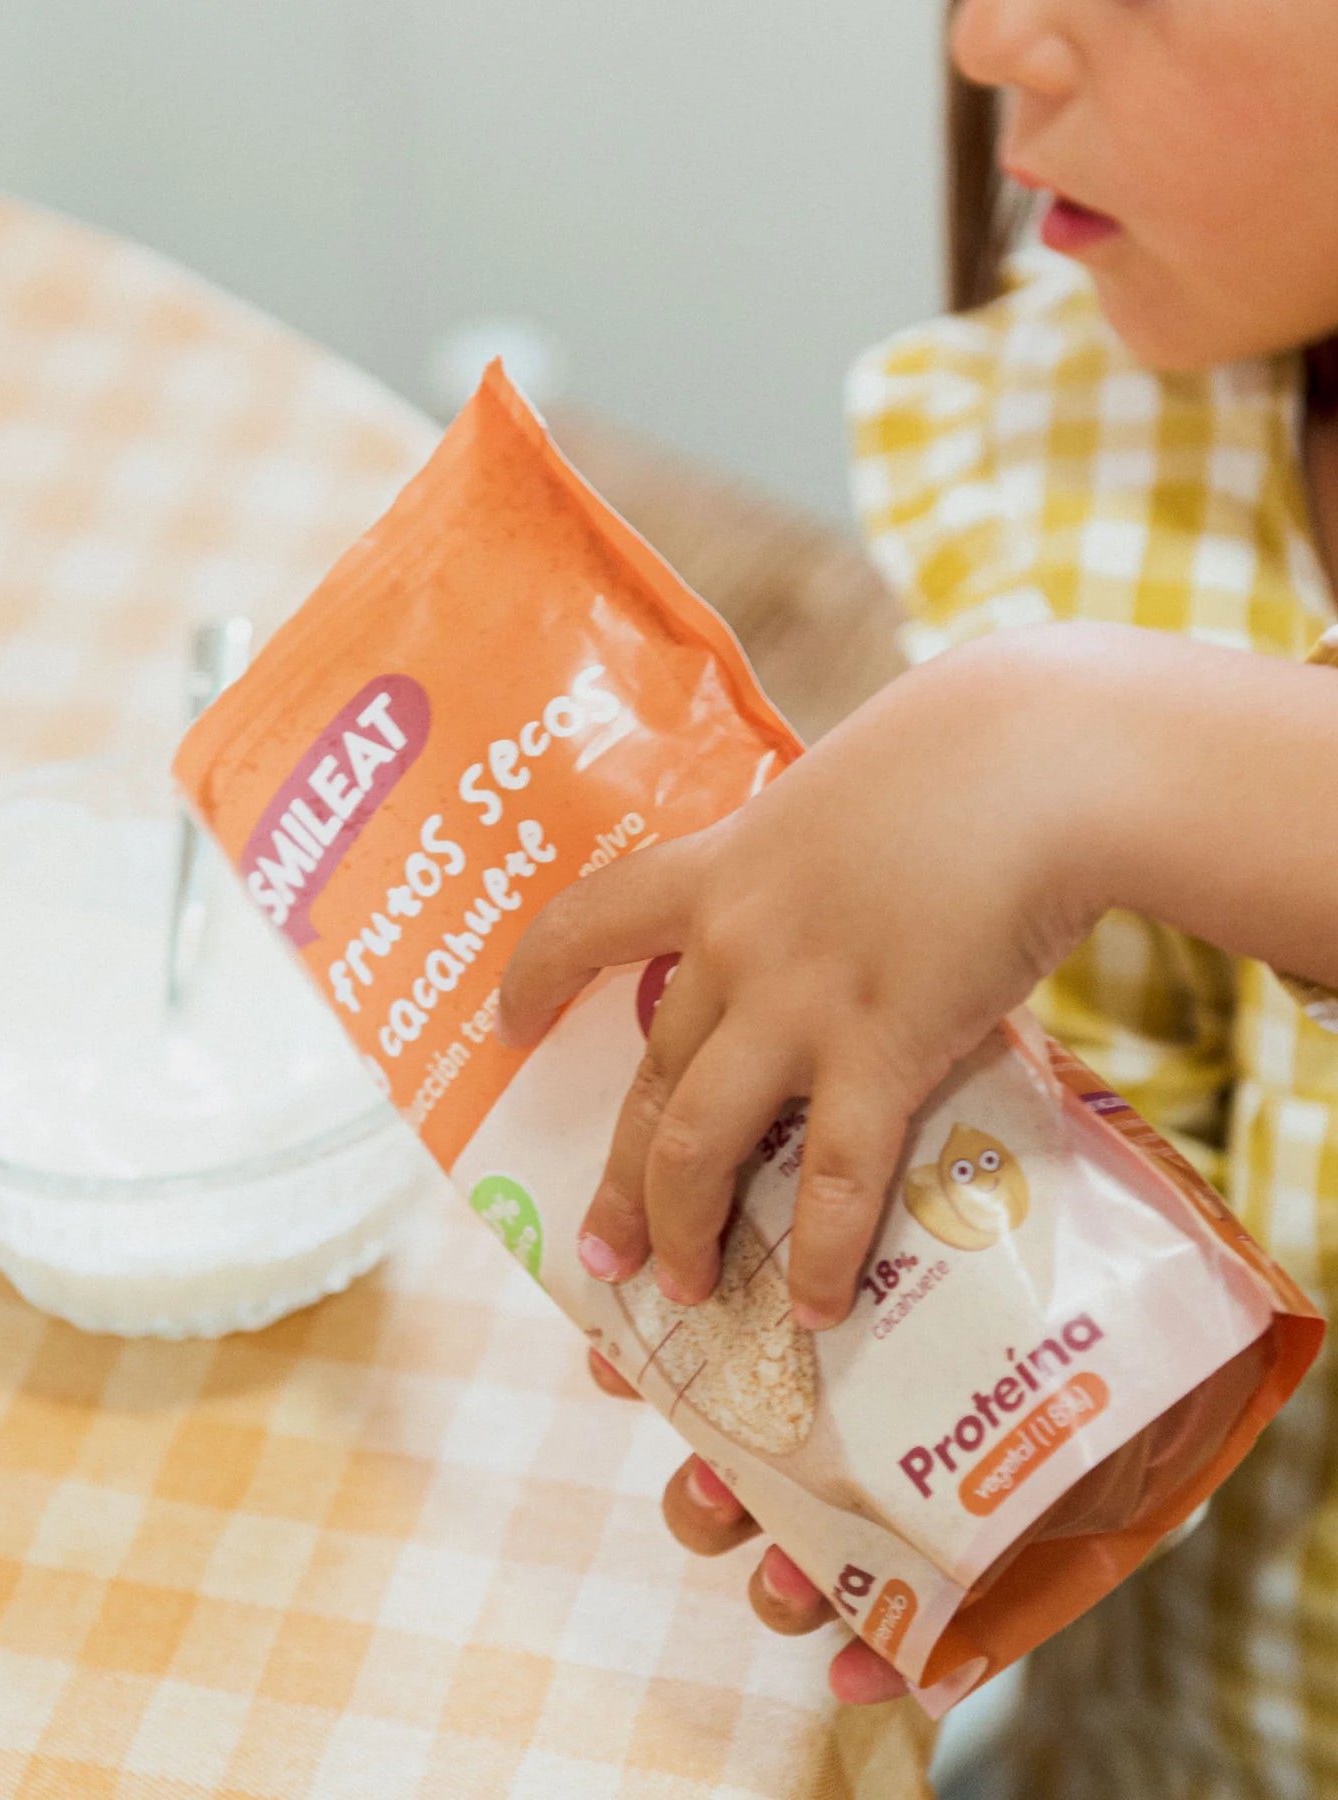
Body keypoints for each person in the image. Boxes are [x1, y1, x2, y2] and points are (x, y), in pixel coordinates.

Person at [497, 0, 1338, 1792]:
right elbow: (1155, 1163)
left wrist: (1082, 744)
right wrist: (1012, 1380)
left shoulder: (1076, 713)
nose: (989, 42)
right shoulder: (1127, 452)